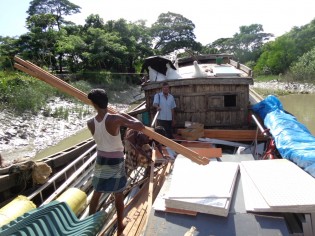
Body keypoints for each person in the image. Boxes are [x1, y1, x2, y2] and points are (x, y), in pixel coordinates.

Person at [87, 88, 144, 236]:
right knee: (118, 193)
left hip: (101, 159)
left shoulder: (90, 122)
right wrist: (122, 114)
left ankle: (88, 227)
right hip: (115, 159)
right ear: (106, 101)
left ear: (93, 104)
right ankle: (120, 225)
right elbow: (139, 126)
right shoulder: (115, 119)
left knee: (97, 191)